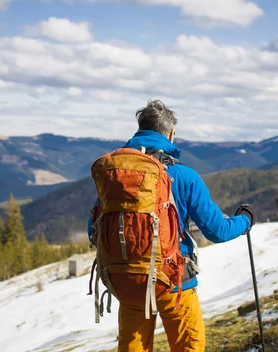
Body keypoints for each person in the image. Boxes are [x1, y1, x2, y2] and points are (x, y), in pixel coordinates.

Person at [89, 100, 255, 352]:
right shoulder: (185, 176)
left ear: (139, 130)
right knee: (188, 347)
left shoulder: (115, 179)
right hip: (173, 281)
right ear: (171, 134)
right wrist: (245, 220)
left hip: (128, 281)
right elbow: (217, 231)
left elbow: (94, 232)